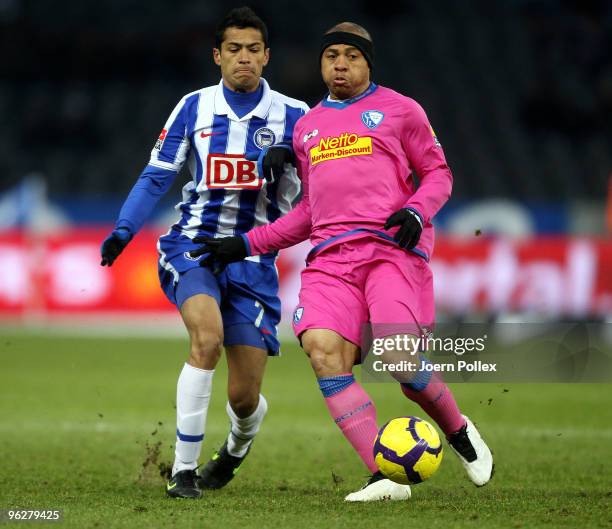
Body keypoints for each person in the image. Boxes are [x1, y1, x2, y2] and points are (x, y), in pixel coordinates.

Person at [192, 22, 493, 502]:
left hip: (390, 252)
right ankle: (383, 475)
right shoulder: (308, 127)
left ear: (368, 63)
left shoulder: (401, 110)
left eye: (351, 56)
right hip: (331, 261)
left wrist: (417, 210)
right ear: (321, 63)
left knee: (399, 359)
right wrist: (246, 243)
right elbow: (311, 212)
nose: (340, 64)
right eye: (331, 55)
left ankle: (457, 430)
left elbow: (438, 172)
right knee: (323, 352)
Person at [100, 6, 308, 499]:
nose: (244, 59)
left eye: (253, 50)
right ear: (217, 56)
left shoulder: (297, 116)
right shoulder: (193, 107)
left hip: (254, 259)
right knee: (206, 338)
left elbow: (321, 191)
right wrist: (125, 229)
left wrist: (296, 159)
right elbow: (158, 174)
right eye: (233, 49)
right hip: (193, 245)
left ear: (267, 56)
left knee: (244, 397)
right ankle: (183, 472)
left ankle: (235, 447)